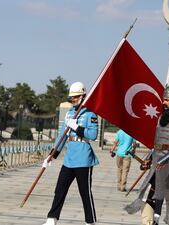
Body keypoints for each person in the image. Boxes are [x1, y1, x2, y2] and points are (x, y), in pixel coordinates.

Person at [125, 77, 169, 225]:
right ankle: (150, 222)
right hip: (157, 163)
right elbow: (157, 144)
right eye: (163, 99)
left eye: (167, 100)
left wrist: (165, 159)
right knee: (150, 194)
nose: (164, 103)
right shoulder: (161, 118)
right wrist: (149, 157)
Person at [42, 82, 99, 225]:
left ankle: (90, 221)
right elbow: (62, 135)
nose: (73, 99)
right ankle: (52, 218)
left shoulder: (90, 113)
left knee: (85, 192)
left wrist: (77, 127)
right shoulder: (69, 113)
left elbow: (93, 135)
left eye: (76, 97)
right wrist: (52, 155)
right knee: (59, 189)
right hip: (69, 158)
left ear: (83, 96)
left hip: (83, 157)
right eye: (71, 97)